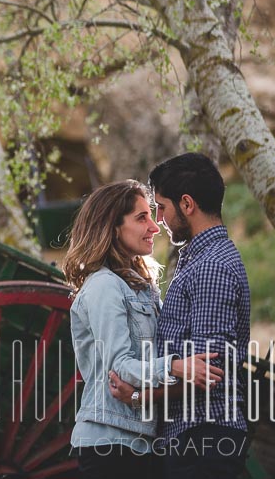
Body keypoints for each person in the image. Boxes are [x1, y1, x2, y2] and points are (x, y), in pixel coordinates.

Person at [65, 179, 221, 479]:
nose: (154, 226)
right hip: (110, 445)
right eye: (141, 217)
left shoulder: (140, 287)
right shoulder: (104, 286)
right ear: (112, 227)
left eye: (152, 214)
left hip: (138, 442)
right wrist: (176, 367)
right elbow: (120, 367)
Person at [110, 152, 251, 478]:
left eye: (162, 207)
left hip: (204, 437)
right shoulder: (198, 259)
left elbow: (207, 371)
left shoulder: (211, 266)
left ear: (187, 204)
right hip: (195, 438)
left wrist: (138, 398)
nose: (159, 219)